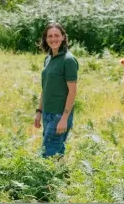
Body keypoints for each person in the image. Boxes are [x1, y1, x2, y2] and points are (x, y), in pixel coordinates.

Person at [34, 22, 79, 158]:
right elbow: (45, 88)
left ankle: (49, 179)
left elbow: (72, 92)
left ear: (64, 37)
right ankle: (61, 177)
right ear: (46, 39)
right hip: (47, 113)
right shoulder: (48, 58)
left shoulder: (69, 60)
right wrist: (39, 111)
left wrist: (64, 118)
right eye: (50, 36)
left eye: (57, 35)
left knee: (47, 155)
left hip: (59, 115)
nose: (53, 39)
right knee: (56, 154)